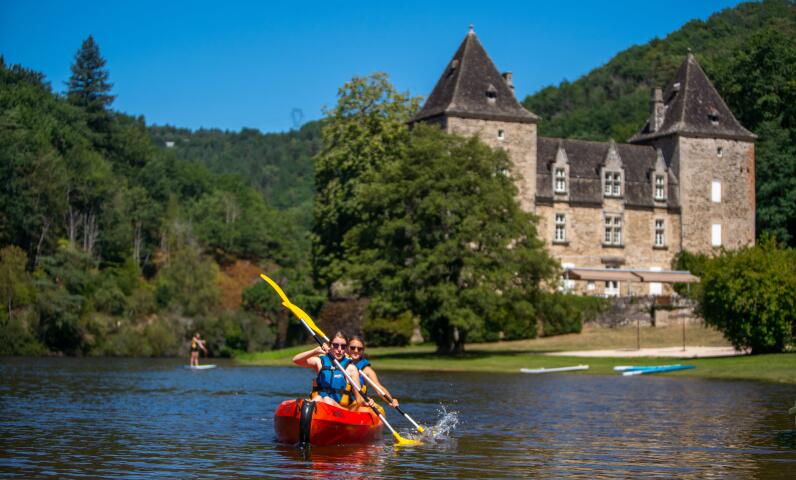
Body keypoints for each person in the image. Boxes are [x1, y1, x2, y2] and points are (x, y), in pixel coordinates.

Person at [292, 331, 374, 410]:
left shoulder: (351, 369)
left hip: (340, 410)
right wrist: (315, 351)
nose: (339, 349)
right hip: (319, 404)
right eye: (335, 345)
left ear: (346, 348)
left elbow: (359, 400)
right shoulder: (320, 362)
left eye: (343, 346)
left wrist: (367, 402)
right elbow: (296, 360)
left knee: (327, 400)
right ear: (329, 345)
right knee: (318, 398)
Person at [344, 335, 399, 412]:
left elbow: (379, 388)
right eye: (352, 348)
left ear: (363, 351)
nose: (356, 351)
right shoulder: (339, 362)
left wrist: (391, 400)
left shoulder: (366, 370)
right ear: (347, 348)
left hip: (357, 403)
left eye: (359, 349)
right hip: (339, 402)